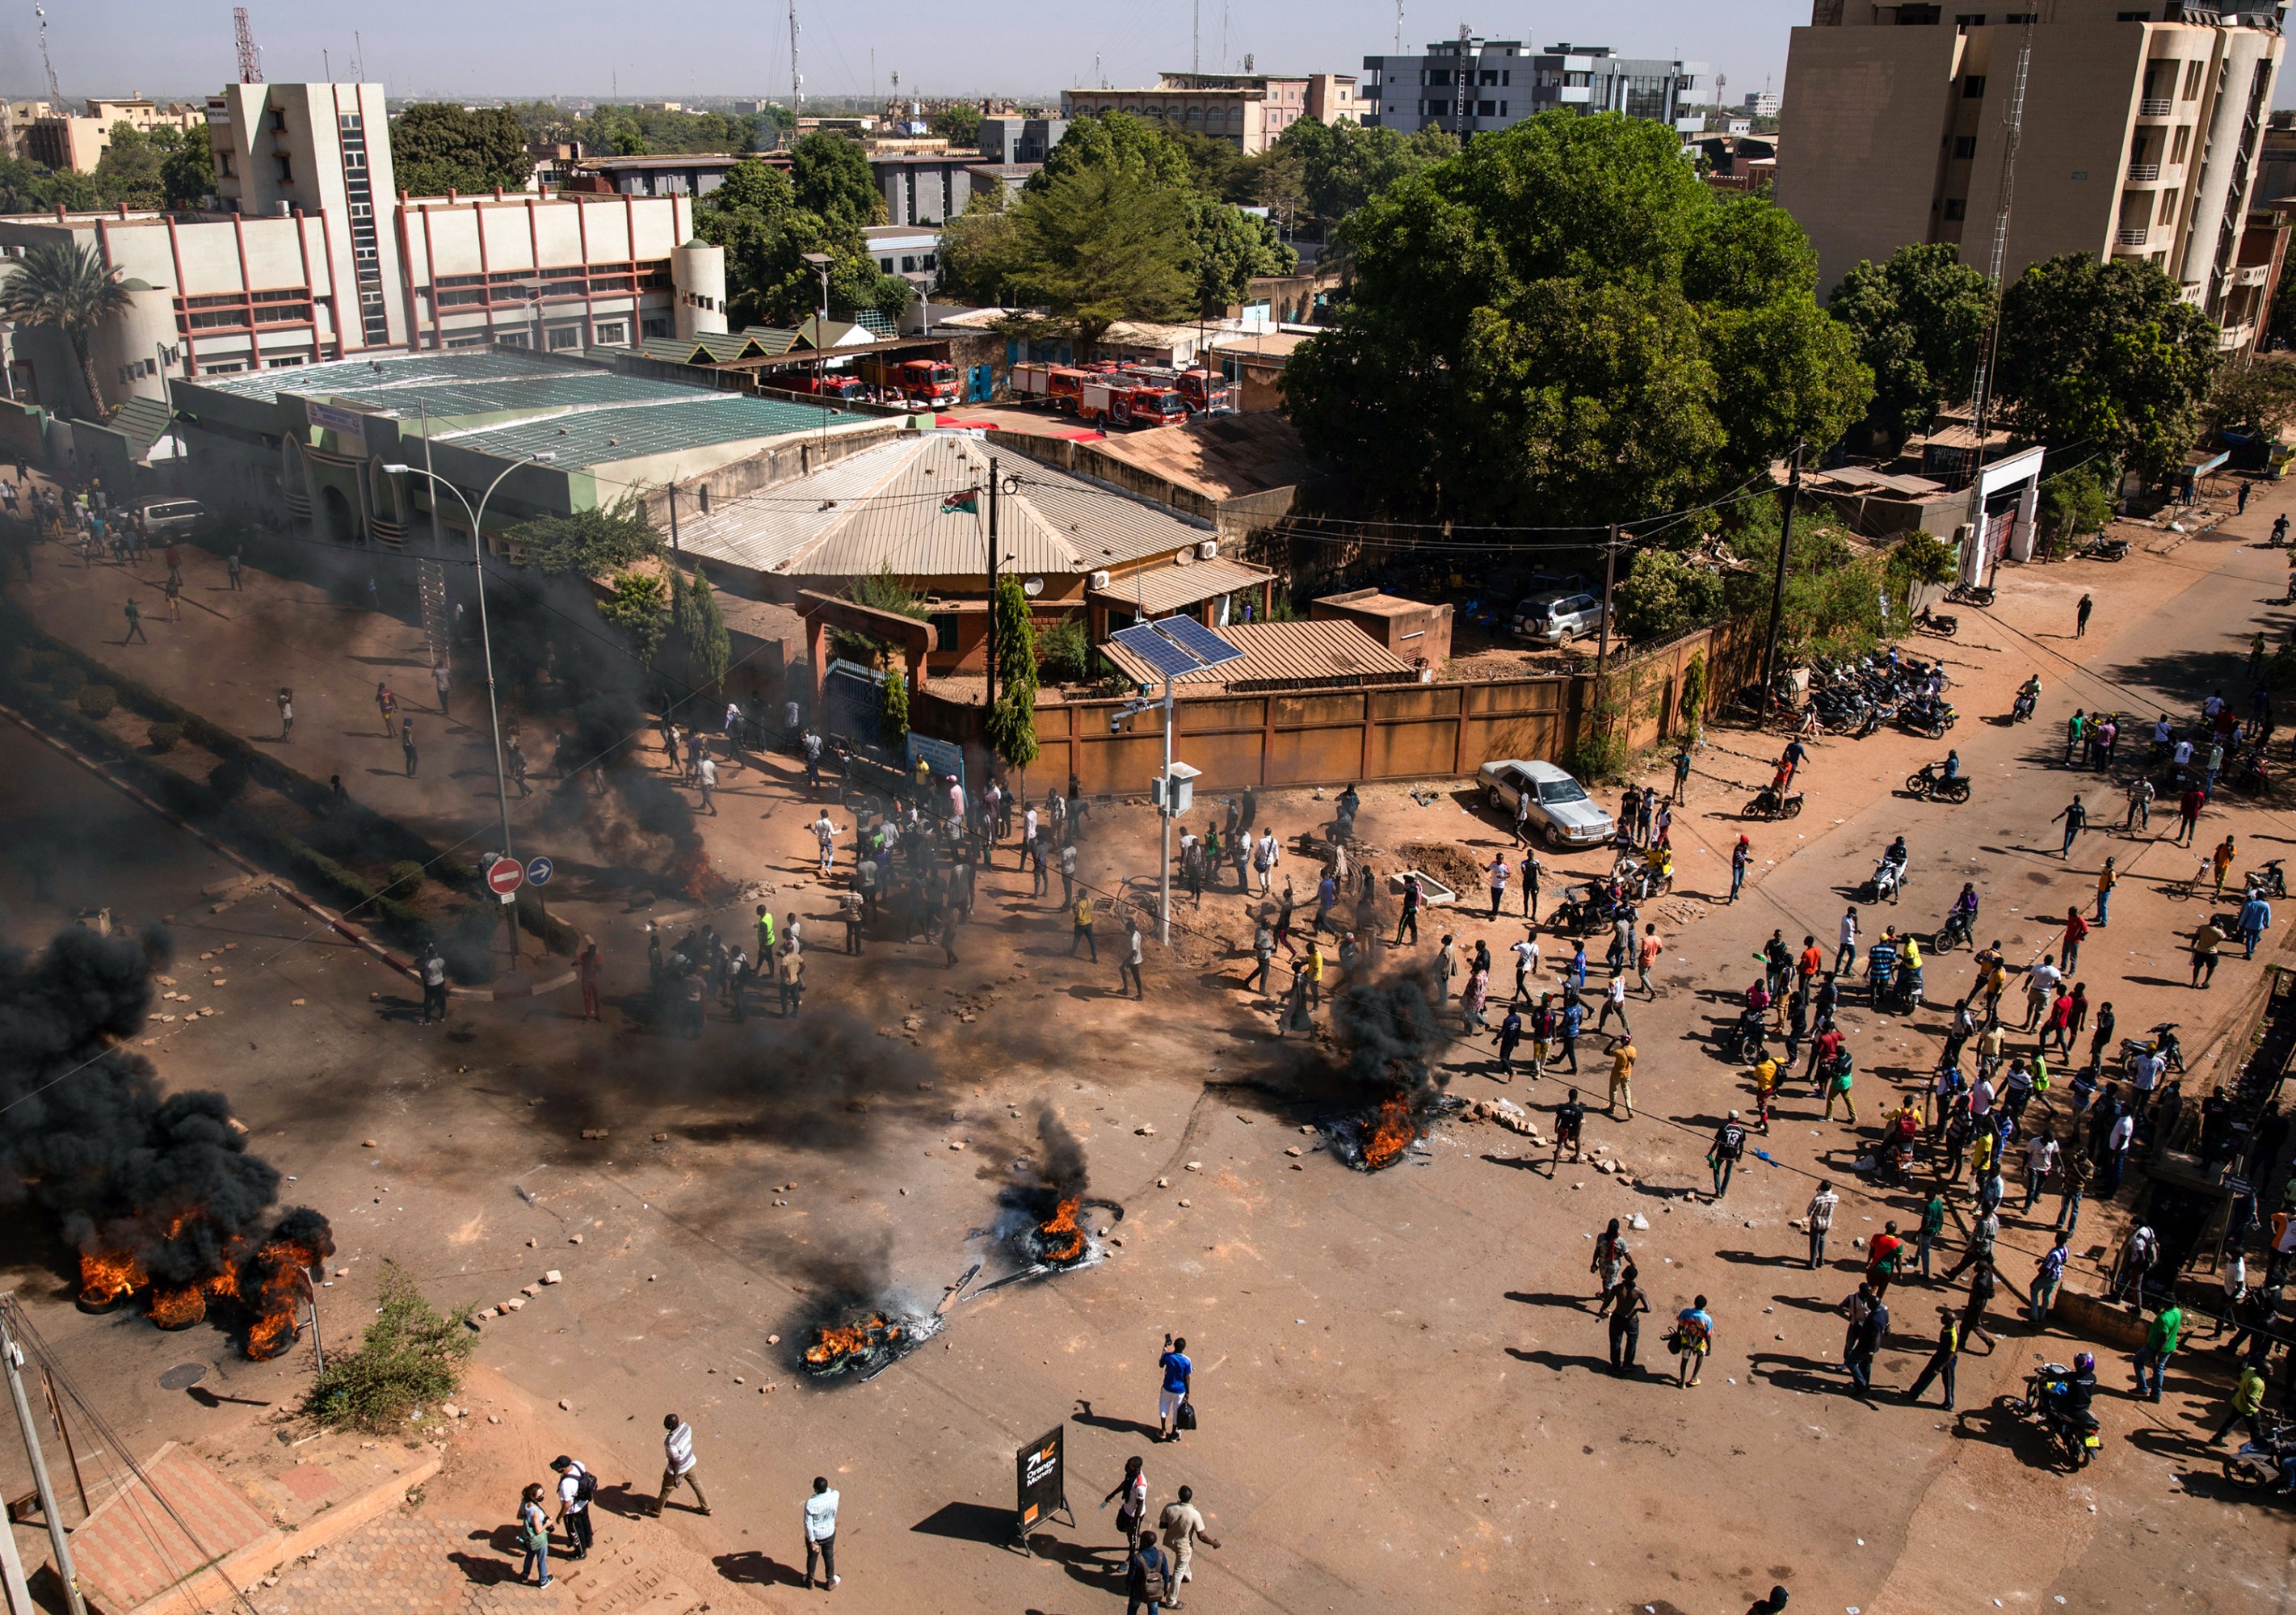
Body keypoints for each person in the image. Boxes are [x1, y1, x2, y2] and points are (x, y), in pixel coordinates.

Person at [1157, 1486, 1220, 1604]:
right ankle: (1171, 1601)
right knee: (1178, 1572)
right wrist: (1214, 1543)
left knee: (1183, 1561)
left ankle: (1187, 1575)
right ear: (1190, 1498)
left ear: (1179, 1495)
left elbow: (1162, 1525)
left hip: (1171, 1542)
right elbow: (1201, 1536)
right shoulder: (1194, 1514)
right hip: (1184, 1546)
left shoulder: (1170, 1508)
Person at [1902, 1306, 1962, 1411]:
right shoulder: (1946, 1328)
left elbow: (1951, 1354)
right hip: (1939, 1356)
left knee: (1948, 1382)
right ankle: (1914, 1393)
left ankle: (1949, 1403)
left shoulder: (1953, 1336)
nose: (1941, 1318)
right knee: (1926, 1374)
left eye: (1943, 1317)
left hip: (1947, 1361)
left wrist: (1941, 1367)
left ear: (1948, 1321)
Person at [654, 1413, 711, 1516]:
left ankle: (657, 1509)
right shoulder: (686, 1427)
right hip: (690, 1462)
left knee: (666, 1489)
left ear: (670, 1426)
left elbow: (676, 1461)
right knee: (696, 1484)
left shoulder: (670, 1442)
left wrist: (676, 1477)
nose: (664, 1424)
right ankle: (706, 1508)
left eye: (666, 1423)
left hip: (677, 1469)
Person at [2134, 1297, 2184, 1402]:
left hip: (2155, 1347)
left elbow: (2163, 1338)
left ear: (2165, 1304)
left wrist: (2156, 1354)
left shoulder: (2164, 1318)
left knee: (2138, 1361)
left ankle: (2142, 1388)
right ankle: (2156, 1395)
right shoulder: (2176, 1312)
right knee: (2159, 1369)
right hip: (2169, 1347)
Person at [549, 1455, 595, 1560]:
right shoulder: (578, 1464)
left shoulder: (566, 1484)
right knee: (585, 1521)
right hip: (583, 1502)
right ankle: (589, 1540)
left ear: (563, 1469)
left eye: (558, 1468)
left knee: (574, 1531)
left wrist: (560, 1517)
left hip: (573, 1511)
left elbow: (567, 1504)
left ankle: (580, 1552)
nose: (556, 1469)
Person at [1608, 1263, 1650, 1374]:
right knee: (1632, 1341)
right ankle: (1628, 1363)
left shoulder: (1617, 1288)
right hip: (1631, 1319)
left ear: (1625, 1275)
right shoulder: (1639, 1292)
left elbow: (1608, 1300)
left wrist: (1602, 1310)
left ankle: (1616, 1366)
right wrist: (1636, 1310)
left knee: (1616, 1341)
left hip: (1617, 1316)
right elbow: (1648, 1309)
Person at [803, 1475, 840, 1590]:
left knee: (812, 1558)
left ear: (815, 1489)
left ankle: (810, 1581)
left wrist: (812, 1540)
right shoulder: (835, 1496)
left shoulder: (811, 1504)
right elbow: (833, 1491)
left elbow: (808, 1524)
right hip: (829, 1533)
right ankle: (830, 1581)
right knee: (828, 1556)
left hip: (816, 1535)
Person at [1125, 1529, 1171, 1615]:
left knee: (1133, 1607)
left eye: (1141, 1540)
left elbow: (1131, 1575)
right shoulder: (1161, 1555)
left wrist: (1128, 1584)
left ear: (1145, 1543)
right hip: (1155, 1588)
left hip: (1138, 1589)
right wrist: (1165, 1587)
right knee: (1153, 1608)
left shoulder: (1136, 1558)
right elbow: (1165, 1573)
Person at [1155, 1334, 1192, 1441]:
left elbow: (1161, 1364)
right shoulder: (1186, 1360)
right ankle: (1173, 1433)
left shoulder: (1168, 1356)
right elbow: (1187, 1377)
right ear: (1183, 1348)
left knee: (1163, 1405)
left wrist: (1165, 1348)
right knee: (1177, 1411)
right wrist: (1188, 1392)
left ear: (1175, 1346)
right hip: (1180, 1390)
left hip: (1167, 1387)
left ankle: (1162, 1430)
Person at [516, 1482, 553, 1588]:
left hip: (528, 1536)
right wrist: (547, 1524)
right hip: (539, 1539)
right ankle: (543, 1580)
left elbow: (519, 1516)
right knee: (541, 1559)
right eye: (540, 1495)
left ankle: (525, 1576)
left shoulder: (524, 1502)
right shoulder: (535, 1510)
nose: (543, 1496)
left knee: (529, 1555)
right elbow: (538, 1530)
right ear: (534, 1497)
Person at [1674, 1295, 1714, 1387]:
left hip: (1686, 1341)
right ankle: (1694, 1378)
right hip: (1699, 1343)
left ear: (1694, 1303)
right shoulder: (1707, 1319)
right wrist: (1709, 1348)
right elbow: (1708, 1336)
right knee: (1700, 1357)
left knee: (1684, 1360)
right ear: (1705, 1305)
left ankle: (1682, 1382)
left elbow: (1680, 1325)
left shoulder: (1686, 1312)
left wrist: (1677, 1335)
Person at [1709, 1111, 1747, 1200]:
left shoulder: (1724, 1127)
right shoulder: (1741, 1130)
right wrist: (1739, 1155)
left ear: (1728, 1117)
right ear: (1738, 1119)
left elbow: (1717, 1142)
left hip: (1722, 1152)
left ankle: (1718, 1191)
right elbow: (1741, 1145)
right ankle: (1723, 1191)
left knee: (1716, 1168)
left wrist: (1710, 1152)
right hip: (1732, 1154)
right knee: (1728, 1172)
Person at [1806, 1180, 1839, 1269]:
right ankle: (1821, 1260)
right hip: (1827, 1223)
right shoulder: (1835, 1198)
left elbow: (1809, 1212)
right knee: (1822, 1239)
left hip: (1817, 1223)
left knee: (1814, 1243)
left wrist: (1818, 1191)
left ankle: (1812, 1263)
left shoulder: (1817, 1199)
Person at [1552, 1087, 1586, 1167]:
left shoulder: (1562, 1107)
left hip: (1563, 1128)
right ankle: (1577, 1156)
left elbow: (1558, 1118)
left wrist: (1556, 1127)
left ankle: (1553, 1170)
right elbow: (1578, 1124)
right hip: (1572, 1130)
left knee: (1560, 1148)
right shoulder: (1579, 1110)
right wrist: (1577, 1134)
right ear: (1576, 1098)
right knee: (1577, 1140)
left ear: (1568, 1096)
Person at [418, 943, 448, 1024]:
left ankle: (428, 1021)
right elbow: (444, 971)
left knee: (427, 1002)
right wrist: (443, 979)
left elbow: (425, 975)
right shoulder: (441, 961)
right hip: (440, 983)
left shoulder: (428, 964)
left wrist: (423, 976)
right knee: (442, 1000)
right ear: (436, 953)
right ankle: (442, 1017)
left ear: (429, 955)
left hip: (430, 985)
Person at [1607, 1033, 1634, 1119]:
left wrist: (1613, 1041)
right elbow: (1633, 1061)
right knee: (1626, 1091)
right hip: (1627, 1073)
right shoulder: (1633, 1049)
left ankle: (1612, 1108)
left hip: (1617, 1073)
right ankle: (1630, 1110)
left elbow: (1606, 1052)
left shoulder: (1620, 1052)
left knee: (1613, 1091)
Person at [2052, 793, 2088, 857]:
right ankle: (2067, 847)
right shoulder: (2082, 808)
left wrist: (2055, 819)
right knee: (2072, 838)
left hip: (2069, 825)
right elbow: (2084, 818)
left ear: (2074, 799)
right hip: (2076, 826)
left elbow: (2063, 814)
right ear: (2080, 800)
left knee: (2067, 838)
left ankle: (2066, 853)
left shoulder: (2070, 807)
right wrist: (2085, 828)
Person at [1120, 918, 1146, 999]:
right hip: (1137, 957)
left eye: (1127, 929)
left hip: (1134, 960)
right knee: (1122, 968)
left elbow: (1133, 952)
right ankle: (1125, 989)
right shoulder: (1137, 933)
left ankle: (1140, 995)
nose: (1127, 931)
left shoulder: (1133, 939)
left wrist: (1126, 961)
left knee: (1136, 978)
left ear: (1130, 929)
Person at [1070, 893, 1097, 961]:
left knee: (1077, 938)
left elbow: (1079, 916)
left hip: (1080, 924)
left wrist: (1074, 909)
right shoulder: (1089, 900)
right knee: (1091, 940)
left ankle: (1072, 952)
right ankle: (1095, 957)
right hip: (1089, 923)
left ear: (1079, 895)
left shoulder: (1080, 904)